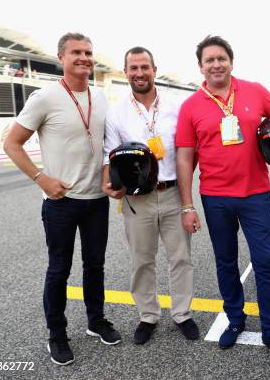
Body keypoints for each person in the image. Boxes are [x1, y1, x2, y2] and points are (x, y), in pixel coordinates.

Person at [175, 35, 270, 362]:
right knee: (225, 263)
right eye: (209, 60)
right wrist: (187, 205)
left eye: (221, 58)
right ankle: (235, 320)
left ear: (231, 62)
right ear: (201, 67)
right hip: (215, 197)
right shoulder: (191, 106)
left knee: (265, 263)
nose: (216, 64)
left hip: (254, 195)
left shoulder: (254, 90)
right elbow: (184, 158)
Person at [3, 32, 121, 366]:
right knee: (59, 270)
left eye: (88, 52)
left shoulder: (100, 98)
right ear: (61, 58)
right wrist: (41, 177)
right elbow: (13, 144)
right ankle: (57, 334)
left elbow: (107, 146)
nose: (84, 58)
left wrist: (109, 174)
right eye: (76, 53)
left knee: (95, 266)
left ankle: (96, 321)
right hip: (60, 201)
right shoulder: (45, 97)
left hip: (97, 199)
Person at [102, 46, 198, 345]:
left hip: (171, 194)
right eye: (134, 68)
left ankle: (182, 313)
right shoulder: (116, 112)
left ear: (154, 70)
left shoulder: (176, 106)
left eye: (145, 67)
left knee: (181, 258)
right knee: (141, 260)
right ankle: (148, 315)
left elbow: (188, 153)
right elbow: (110, 155)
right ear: (126, 72)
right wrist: (109, 183)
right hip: (136, 198)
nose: (140, 73)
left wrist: (187, 205)